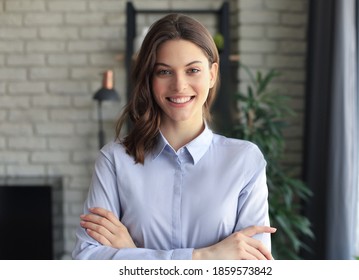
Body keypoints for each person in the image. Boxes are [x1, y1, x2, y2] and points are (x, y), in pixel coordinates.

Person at [72, 13, 276, 260]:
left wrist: (131, 254)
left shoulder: (244, 160)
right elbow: (87, 259)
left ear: (212, 74)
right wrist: (203, 257)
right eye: (164, 72)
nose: (179, 86)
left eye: (192, 70)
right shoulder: (115, 160)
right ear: (149, 78)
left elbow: (252, 269)